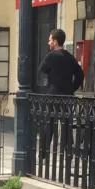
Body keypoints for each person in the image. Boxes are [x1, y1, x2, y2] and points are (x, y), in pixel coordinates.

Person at [37, 29, 84, 160]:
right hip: (67, 96)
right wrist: (72, 88)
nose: (48, 42)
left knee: (49, 124)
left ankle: (43, 154)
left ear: (55, 42)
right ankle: (68, 154)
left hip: (53, 95)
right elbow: (80, 75)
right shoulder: (70, 57)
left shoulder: (51, 56)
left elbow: (42, 69)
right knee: (66, 126)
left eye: (50, 40)